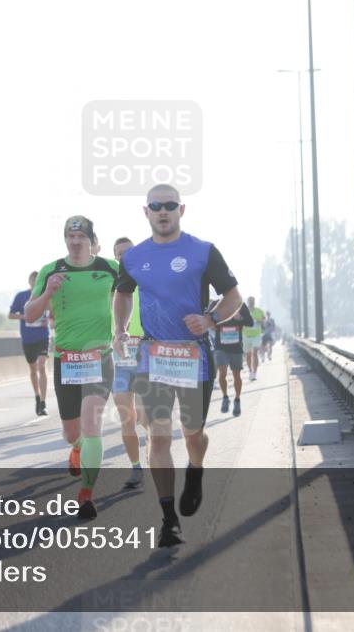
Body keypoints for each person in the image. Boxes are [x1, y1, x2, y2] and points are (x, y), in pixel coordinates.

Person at [113, 184, 242, 547]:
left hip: (194, 355)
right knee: (157, 435)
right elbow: (123, 294)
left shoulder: (202, 251)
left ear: (181, 210)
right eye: (157, 206)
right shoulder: (134, 257)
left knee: (192, 435)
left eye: (170, 205)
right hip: (153, 355)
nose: (163, 211)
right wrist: (119, 329)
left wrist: (212, 320)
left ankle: (196, 468)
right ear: (147, 211)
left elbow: (233, 294)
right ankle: (169, 519)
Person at [25, 216, 118, 520]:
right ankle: (76, 447)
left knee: (93, 426)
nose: (75, 241)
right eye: (70, 236)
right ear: (65, 239)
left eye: (81, 236)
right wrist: (48, 292)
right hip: (66, 360)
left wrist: (129, 331)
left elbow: (134, 296)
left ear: (91, 239)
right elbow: (29, 314)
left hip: (99, 357)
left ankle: (86, 494)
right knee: (71, 432)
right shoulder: (52, 270)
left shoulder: (109, 269)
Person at [111, 236, 150, 489]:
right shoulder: (112, 288)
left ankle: (154, 456)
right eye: (120, 254)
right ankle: (136, 468)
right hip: (121, 362)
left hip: (146, 356)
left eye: (128, 252)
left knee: (146, 418)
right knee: (127, 417)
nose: (124, 256)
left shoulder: (148, 282)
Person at [8, 271, 50, 416]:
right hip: (27, 338)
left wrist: (49, 320)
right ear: (29, 282)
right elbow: (11, 315)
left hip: (43, 336)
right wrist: (26, 316)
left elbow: (54, 314)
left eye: (38, 281)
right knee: (33, 370)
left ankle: (43, 403)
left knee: (42, 366)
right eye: (33, 281)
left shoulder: (47, 295)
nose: (35, 283)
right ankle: (37, 398)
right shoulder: (21, 296)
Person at [208, 297, 253, 418]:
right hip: (220, 346)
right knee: (222, 373)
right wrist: (214, 323)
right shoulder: (215, 304)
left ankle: (237, 400)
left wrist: (241, 318)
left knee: (236, 375)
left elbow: (250, 322)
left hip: (236, 347)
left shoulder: (240, 305)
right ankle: (225, 397)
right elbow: (208, 319)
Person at [242, 296, 265, 382]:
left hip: (256, 335)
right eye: (250, 301)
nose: (251, 302)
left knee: (255, 353)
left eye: (253, 301)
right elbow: (240, 320)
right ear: (248, 302)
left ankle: (254, 373)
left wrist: (257, 321)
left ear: (254, 302)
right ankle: (250, 371)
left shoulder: (259, 311)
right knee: (248, 355)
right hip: (246, 335)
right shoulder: (244, 311)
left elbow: (264, 321)